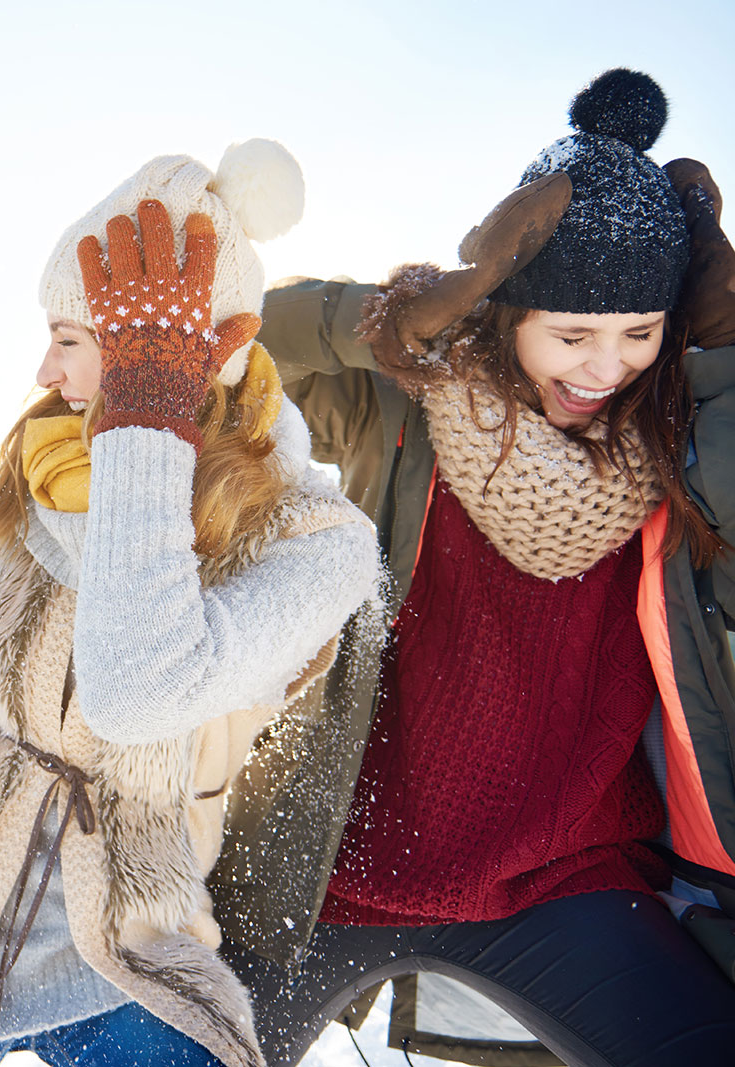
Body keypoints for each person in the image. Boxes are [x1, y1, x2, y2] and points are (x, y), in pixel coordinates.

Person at [0, 143, 379, 1067]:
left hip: (123, 932)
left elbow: (142, 688)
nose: (44, 369)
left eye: (74, 340)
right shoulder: (51, 460)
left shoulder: (314, 540)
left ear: (195, 352)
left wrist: (144, 423)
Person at [219, 69, 735, 1067]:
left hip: (568, 877)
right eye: (572, 334)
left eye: (640, 335)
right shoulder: (407, 407)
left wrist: (724, 353)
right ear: (506, 309)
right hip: (323, 868)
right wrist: (395, 319)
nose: (603, 369)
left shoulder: (673, 447)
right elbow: (243, 345)